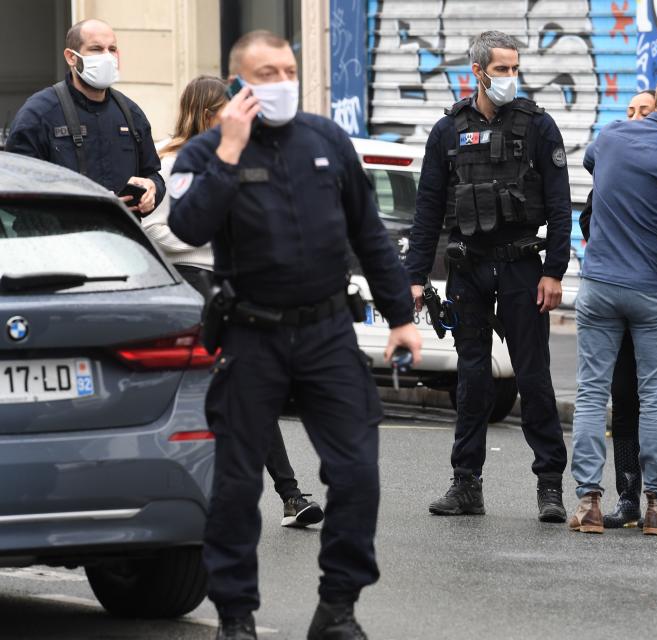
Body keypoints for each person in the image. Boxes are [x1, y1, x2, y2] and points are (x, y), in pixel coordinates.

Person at [168, 31, 421, 640]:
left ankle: (337, 608)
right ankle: (235, 616)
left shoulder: (326, 140)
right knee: (235, 483)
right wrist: (229, 151)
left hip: (328, 333)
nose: (281, 81)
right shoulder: (205, 153)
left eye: (287, 69)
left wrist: (401, 319)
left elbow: (370, 237)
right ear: (238, 83)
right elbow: (187, 222)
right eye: (266, 72)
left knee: (357, 473)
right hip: (252, 335)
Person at [404, 30, 571, 522]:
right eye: (501, 69)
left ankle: (549, 487)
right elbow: (428, 211)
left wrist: (555, 271)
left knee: (533, 377)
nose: (510, 77)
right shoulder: (448, 130)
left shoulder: (538, 126)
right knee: (472, 378)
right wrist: (416, 277)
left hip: (522, 266)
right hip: (469, 269)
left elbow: (561, 206)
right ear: (477, 72)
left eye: (515, 68)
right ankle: (466, 485)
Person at [143, 75, 323, 530]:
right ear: (207, 114)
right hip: (193, 282)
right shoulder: (171, 160)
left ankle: (287, 497)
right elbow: (153, 228)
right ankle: (279, 494)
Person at [570, 64, 657, 536]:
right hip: (652, 290)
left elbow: (591, 163)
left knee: (591, 393)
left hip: (598, 284)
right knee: (655, 399)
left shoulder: (611, 138)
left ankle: (588, 502)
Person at [6, 19, 163, 216]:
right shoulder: (39, 114)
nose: (107, 57)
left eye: (112, 49)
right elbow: (16, 185)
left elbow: (152, 173)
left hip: (121, 237)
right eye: (96, 49)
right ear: (71, 57)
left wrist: (152, 188)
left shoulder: (131, 114)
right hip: (60, 239)